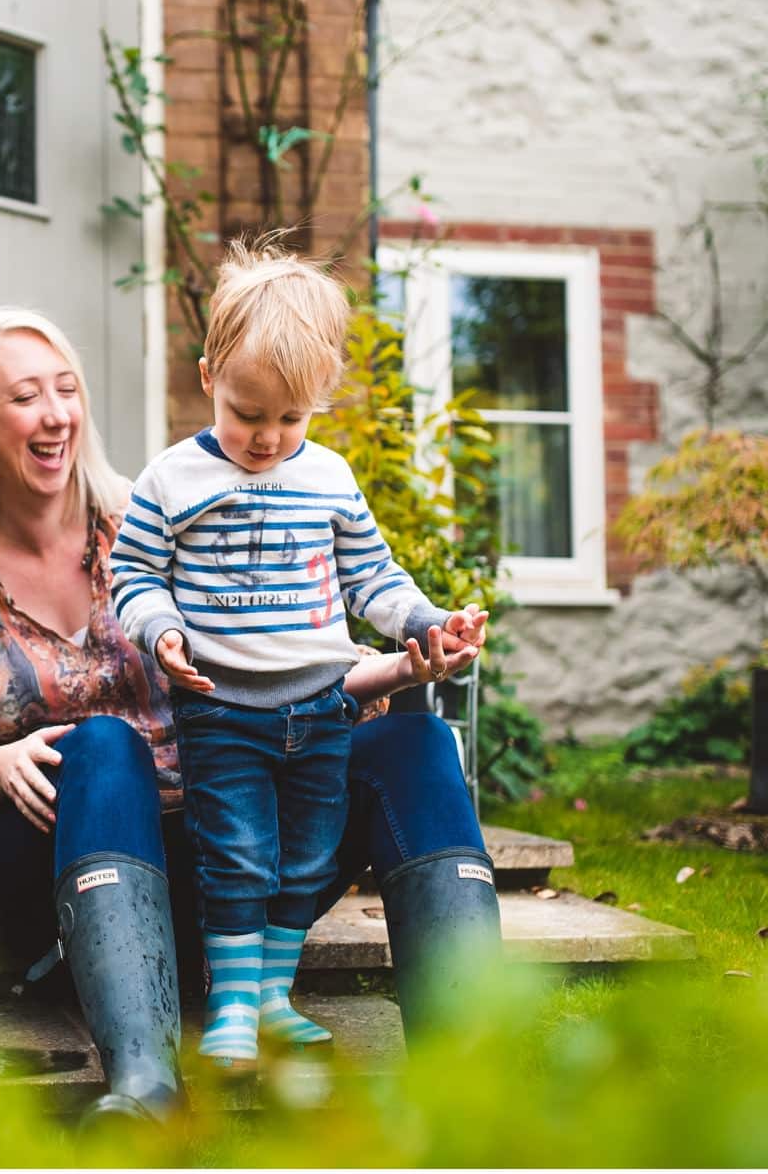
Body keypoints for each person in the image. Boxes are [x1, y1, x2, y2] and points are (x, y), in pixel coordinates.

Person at [0, 306, 501, 1125]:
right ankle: (144, 1088)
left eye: (67, 389)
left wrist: (399, 656)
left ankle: (475, 1088)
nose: (56, 413)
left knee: (416, 740)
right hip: (53, 865)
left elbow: (288, 672)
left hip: (224, 844)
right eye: (26, 396)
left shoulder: (159, 516)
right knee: (103, 744)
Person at [111, 241, 490, 1070]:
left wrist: (424, 621)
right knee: (237, 853)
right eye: (249, 414)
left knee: (309, 857)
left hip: (322, 707)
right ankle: (234, 1005)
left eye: (291, 419)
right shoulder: (170, 480)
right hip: (223, 708)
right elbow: (131, 573)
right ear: (209, 374)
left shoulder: (328, 477)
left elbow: (371, 576)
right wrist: (162, 630)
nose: (268, 438)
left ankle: (274, 998)